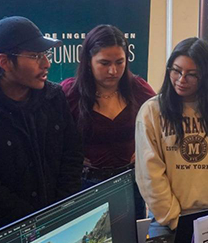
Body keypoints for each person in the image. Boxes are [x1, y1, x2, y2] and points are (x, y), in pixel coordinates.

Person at [0, 16, 84, 234]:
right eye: (35, 56)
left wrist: (59, 210)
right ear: (4, 62)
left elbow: (72, 154)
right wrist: (34, 223)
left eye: (45, 54)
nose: (46, 63)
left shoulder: (54, 97)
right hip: (7, 233)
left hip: (59, 220)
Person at [135, 37, 208, 236]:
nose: (181, 79)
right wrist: (177, 221)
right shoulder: (151, 111)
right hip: (166, 221)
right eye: (176, 71)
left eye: (192, 74)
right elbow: (150, 176)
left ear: (205, 76)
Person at [61, 25, 154, 217]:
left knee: (133, 234)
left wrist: (146, 149)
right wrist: (72, 158)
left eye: (120, 62)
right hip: (86, 185)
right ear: (88, 61)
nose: (113, 71)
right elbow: (51, 138)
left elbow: (164, 124)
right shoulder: (70, 93)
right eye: (104, 63)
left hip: (130, 182)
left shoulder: (138, 88)